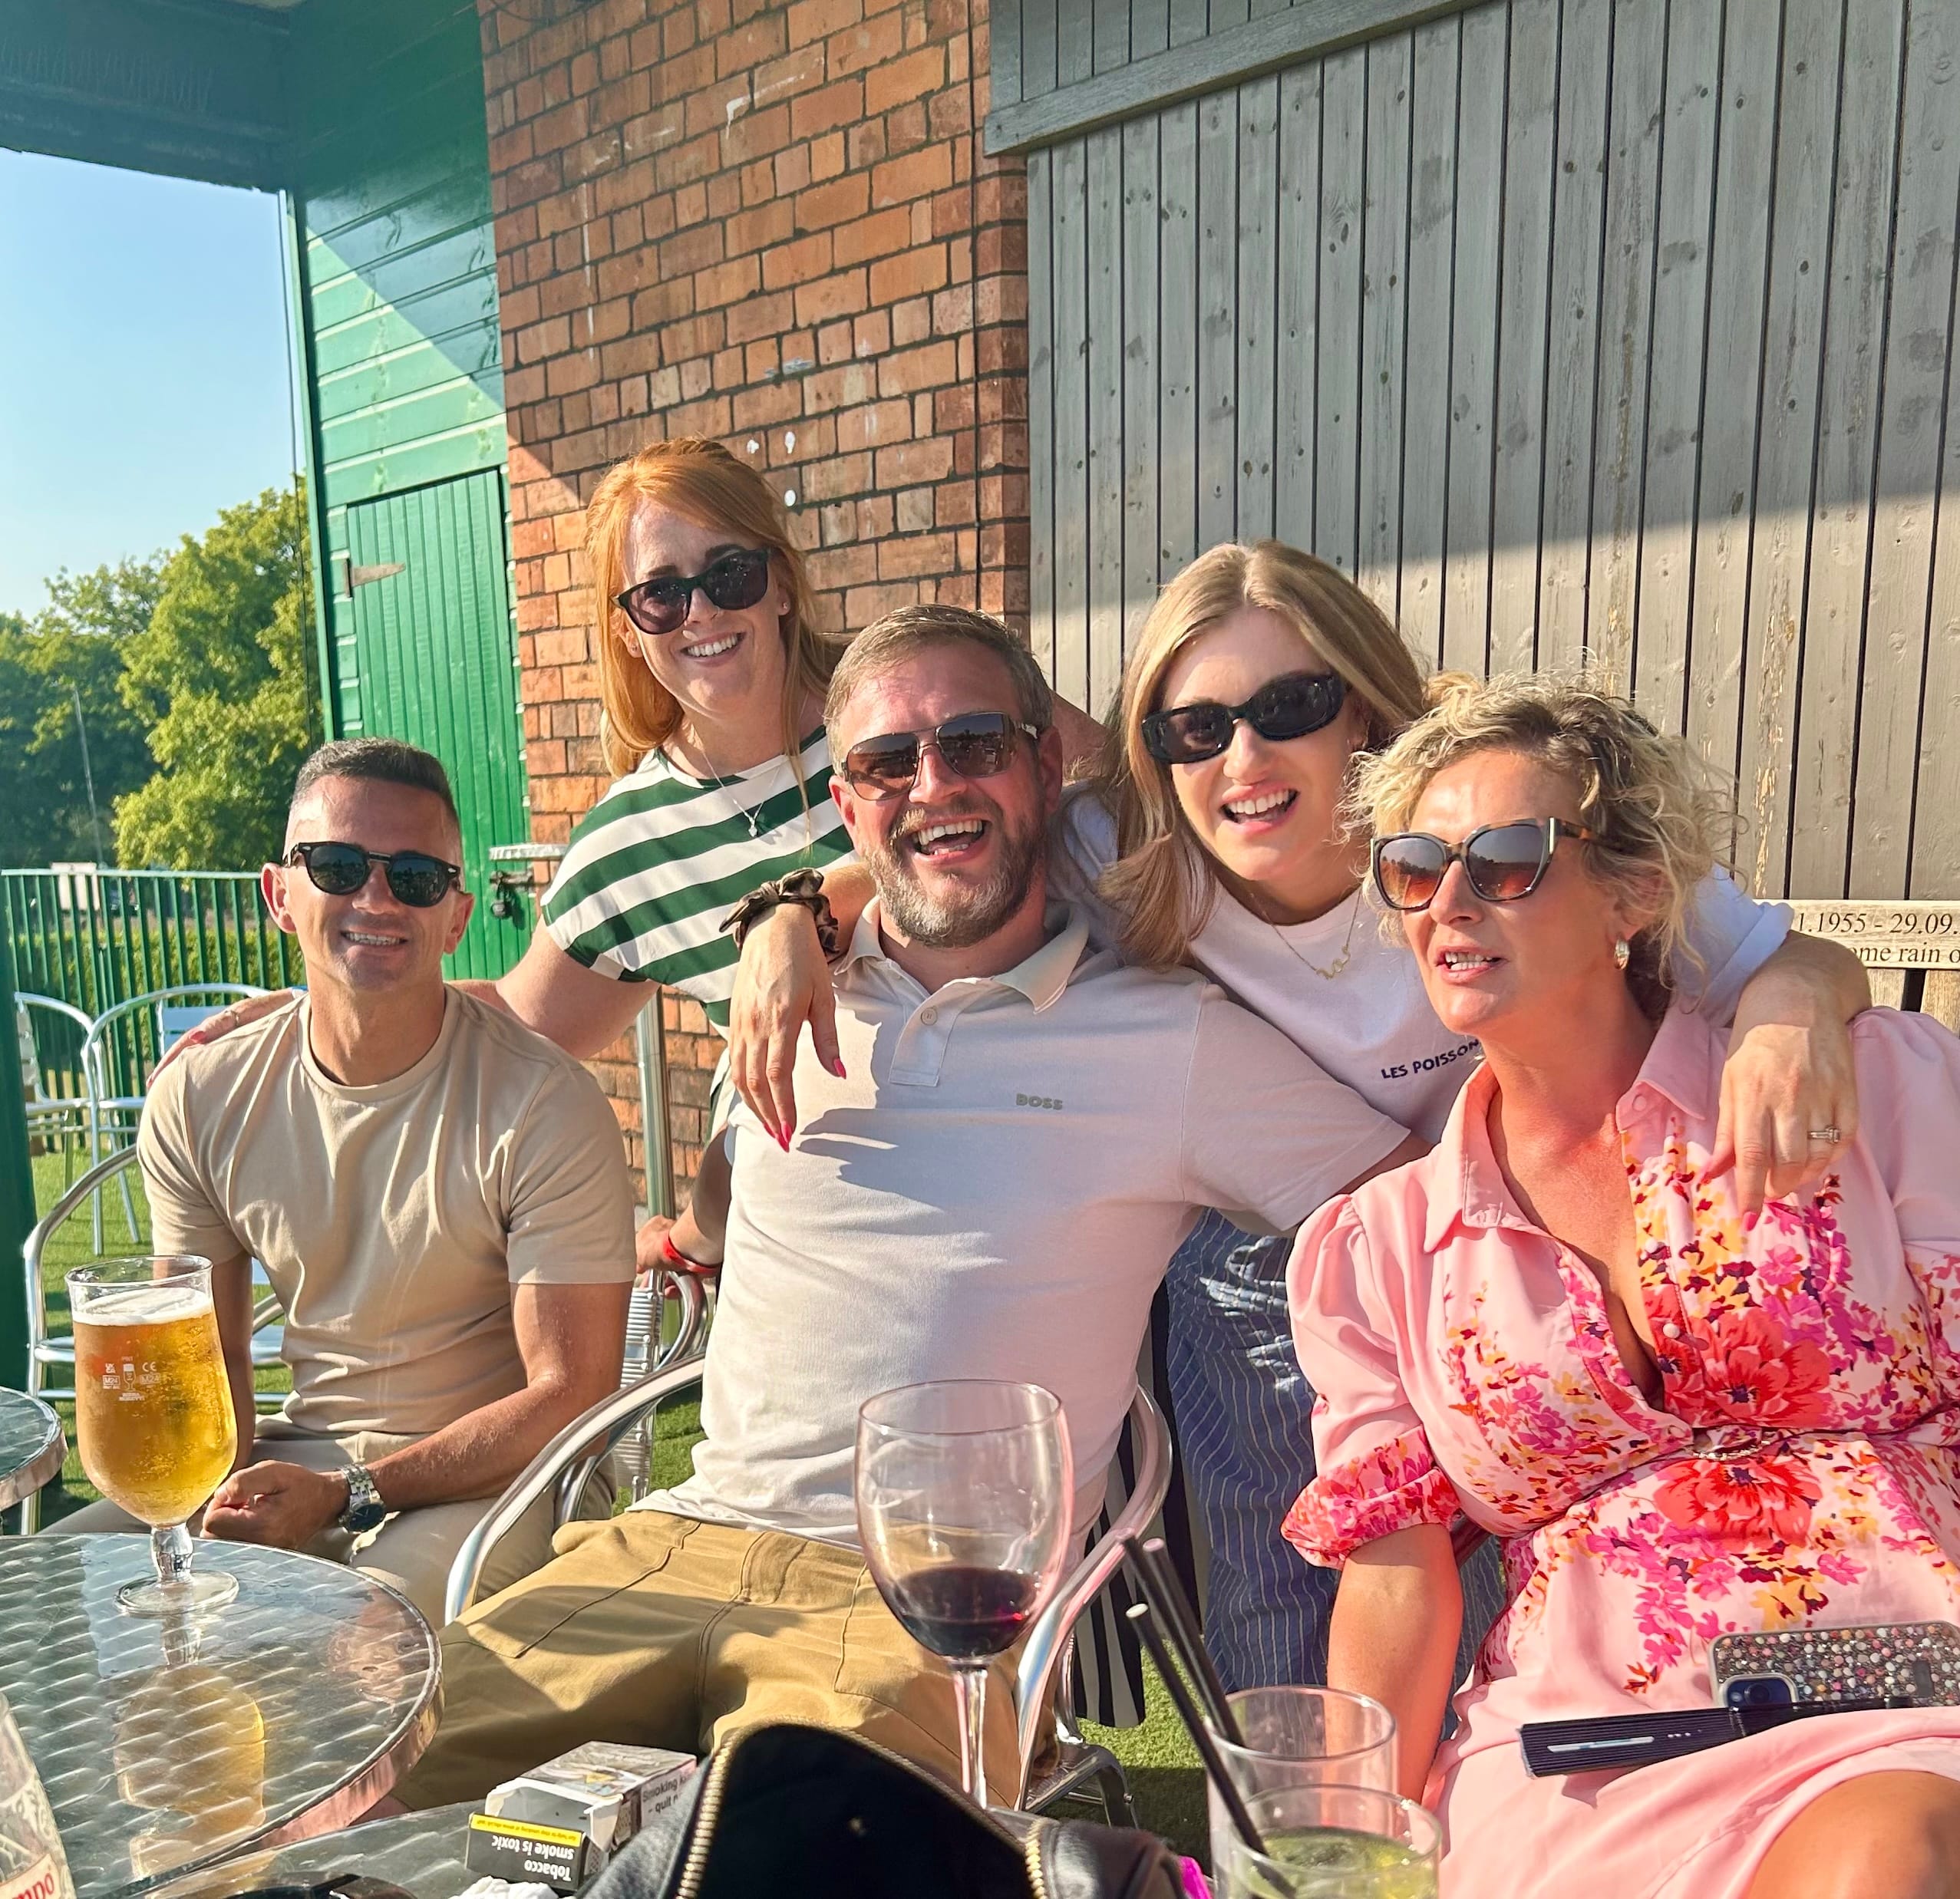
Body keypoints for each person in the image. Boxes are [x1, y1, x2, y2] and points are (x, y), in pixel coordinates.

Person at [724, 540, 1870, 1688]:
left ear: (1362, 707)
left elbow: (1788, 957)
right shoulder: (1132, 844)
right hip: (1292, 1234)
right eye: (1195, 728)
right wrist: (786, 916)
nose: (1244, 756)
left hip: (1538, 1216)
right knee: (1276, 1598)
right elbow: (931, 846)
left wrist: (1787, 1013)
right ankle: (1285, 1783)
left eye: (1291, 707)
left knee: (1520, 1587)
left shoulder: (1471, 833)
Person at [386, 602, 1425, 1812]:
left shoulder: (1174, 1044)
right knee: (374, 1789)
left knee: (801, 1840)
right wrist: (687, 1228)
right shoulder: (784, 1000)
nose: (934, 785)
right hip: (670, 1544)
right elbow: (732, 1186)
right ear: (847, 804)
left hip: (922, 1603)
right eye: (886, 762)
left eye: (974, 743)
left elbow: (1421, 1201)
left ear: (1047, 762)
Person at [1292, 674, 1960, 1899]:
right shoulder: (1378, 1248)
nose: (1448, 901)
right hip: (1577, 1743)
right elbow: (1396, 1581)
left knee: (1883, 1859)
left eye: (1505, 860)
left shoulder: (1870, 1091)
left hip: (1892, 1682)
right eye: (1413, 867)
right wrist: (1345, 1841)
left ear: (1634, 891)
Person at [177, 437, 1098, 1275]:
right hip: (840, 1235)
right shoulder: (629, 842)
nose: (702, 612)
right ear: (627, 628)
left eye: (729, 573)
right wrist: (326, 1000)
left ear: (780, 583)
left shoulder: (920, 703)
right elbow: (520, 1019)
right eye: (662, 594)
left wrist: (812, 904)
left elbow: (1119, 804)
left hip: (1061, 1156)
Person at [59, 740, 637, 1626]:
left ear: (456, 916)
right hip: (299, 1459)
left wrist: (345, 1494)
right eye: (336, 866)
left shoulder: (543, 1103)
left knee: (362, 1647)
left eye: (415, 877)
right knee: (46, 1605)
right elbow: (207, 1369)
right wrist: (220, 1511)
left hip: (496, 1480)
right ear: (278, 895)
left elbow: (570, 1396)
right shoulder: (203, 1093)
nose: (376, 897)